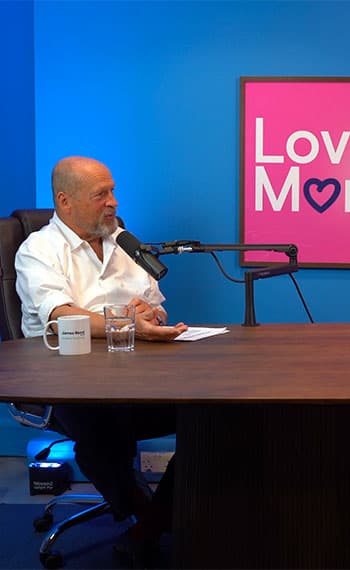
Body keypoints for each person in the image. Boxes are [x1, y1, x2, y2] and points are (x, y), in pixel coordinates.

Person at [14, 156, 189, 562]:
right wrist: (127, 321)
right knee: (100, 426)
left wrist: (150, 314)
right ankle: (147, 519)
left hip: (136, 373)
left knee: (210, 417)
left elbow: (155, 306)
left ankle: (149, 523)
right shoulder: (39, 250)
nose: (113, 202)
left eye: (113, 191)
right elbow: (60, 315)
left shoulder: (124, 241)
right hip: (64, 379)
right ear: (65, 201)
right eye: (101, 194)